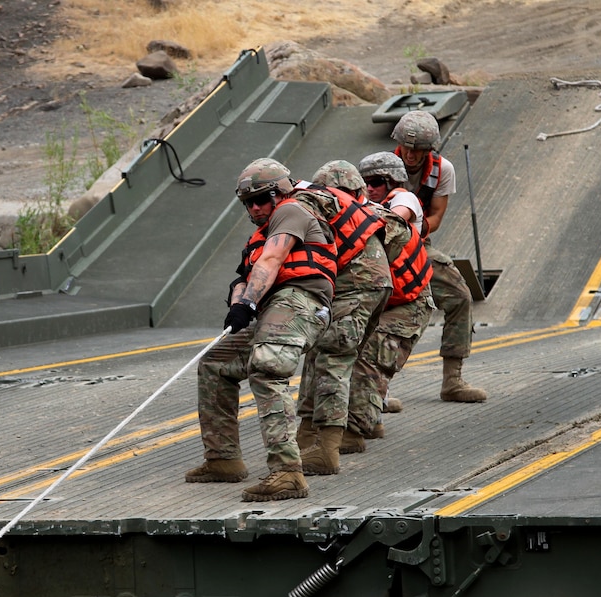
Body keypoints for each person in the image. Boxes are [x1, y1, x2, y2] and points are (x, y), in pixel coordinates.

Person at [184, 158, 333, 502]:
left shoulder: (292, 211)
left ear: (281, 193)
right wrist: (239, 301)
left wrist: (247, 304)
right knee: (215, 364)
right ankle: (223, 459)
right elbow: (243, 276)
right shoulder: (259, 235)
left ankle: (288, 473)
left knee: (267, 367)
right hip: (275, 308)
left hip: (303, 301)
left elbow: (272, 261)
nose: (255, 207)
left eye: (262, 198)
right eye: (248, 202)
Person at [384, 109, 487, 410]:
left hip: (417, 243)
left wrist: (410, 228)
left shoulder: (443, 169)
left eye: (419, 149)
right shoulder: (382, 168)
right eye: (407, 147)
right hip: (380, 245)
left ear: (430, 149)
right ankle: (375, 389)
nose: (412, 154)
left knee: (459, 296)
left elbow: (437, 217)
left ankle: (452, 381)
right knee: (386, 309)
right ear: (398, 143)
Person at [294, 161, 390, 475]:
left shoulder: (313, 204)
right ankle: (308, 436)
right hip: (375, 286)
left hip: (356, 288)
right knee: (322, 356)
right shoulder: (357, 209)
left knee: (333, 359)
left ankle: (325, 452)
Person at [338, 152, 435, 453]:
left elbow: (400, 213)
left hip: (411, 303)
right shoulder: (365, 208)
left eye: (377, 183)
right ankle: (371, 418)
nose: (371, 188)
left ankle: (354, 432)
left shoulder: (402, 201)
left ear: (393, 182)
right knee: (351, 349)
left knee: (371, 356)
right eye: (364, 184)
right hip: (384, 299)